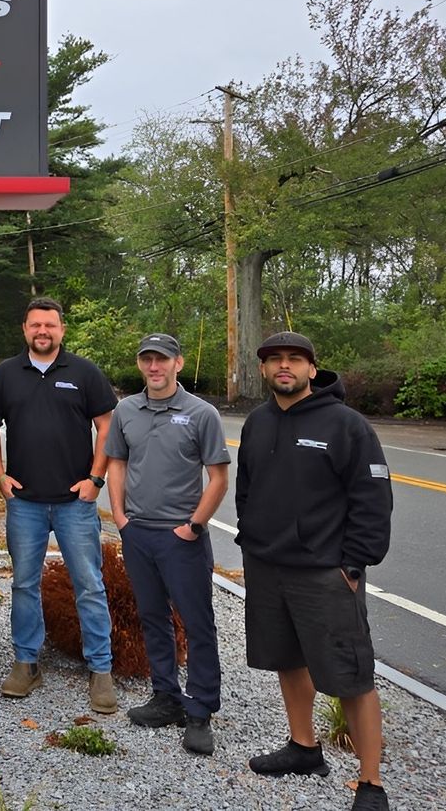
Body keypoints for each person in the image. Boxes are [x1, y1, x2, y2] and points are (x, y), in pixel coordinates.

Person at [237, 332, 393, 811]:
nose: (284, 367)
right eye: (275, 360)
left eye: (294, 360)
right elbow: (246, 488)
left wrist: (354, 563)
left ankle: (371, 783)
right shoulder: (258, 423)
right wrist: (252, 538)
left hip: (326, 573)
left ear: (311, 368)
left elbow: (373, 498)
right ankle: (304, 747)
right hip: (267, 566)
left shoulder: (347, 426)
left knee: (350, 674)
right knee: (287, 658)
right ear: (263, 370)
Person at [0, 297, 120, 713]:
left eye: (50, 325)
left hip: (74, 503)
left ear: (62, 329)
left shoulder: (84, 373)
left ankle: (101, 670)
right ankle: (26, 663)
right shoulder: (5, 375)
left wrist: (95, 479)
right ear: (24, 329)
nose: (42, 332)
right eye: (35, 325)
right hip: (24, 502)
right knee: (24, 584)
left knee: (89, 586)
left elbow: (107, 426)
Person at [105, 333, 231, 756]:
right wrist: (121, 518)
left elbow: (218, 478)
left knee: (196, 624)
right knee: (153, 616)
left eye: (162, 360)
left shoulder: (201, 414)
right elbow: (117, 464)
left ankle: (199, 710)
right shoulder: (127, 410)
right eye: (147, 360)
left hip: (182, 538)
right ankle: (166, 697)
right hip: (139, 533)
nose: (154, 367)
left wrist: (193, 526)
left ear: (177, 363)